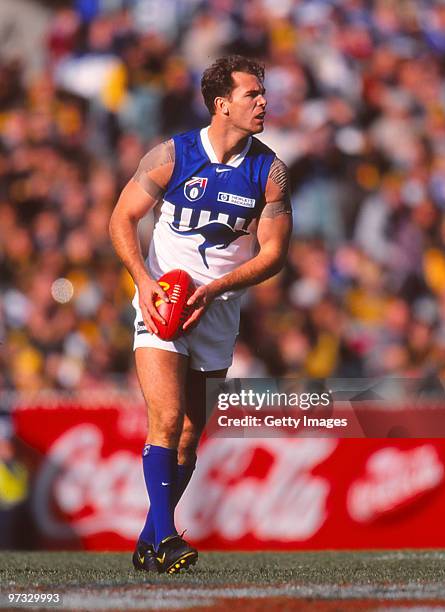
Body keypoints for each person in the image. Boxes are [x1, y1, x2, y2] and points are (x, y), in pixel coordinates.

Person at [109, 55, 292, 574]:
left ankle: (149, 538)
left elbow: (273, 254)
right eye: (252, 94)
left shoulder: (269, 170)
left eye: (262, 93)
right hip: (162, 304)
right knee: (165, 419)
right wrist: (144, 283)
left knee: (190, 434)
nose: (263, 102)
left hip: (217, 310)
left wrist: (215, 290)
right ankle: (166, 539)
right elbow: (121, 219)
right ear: (221, 103)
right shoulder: (172, 155)